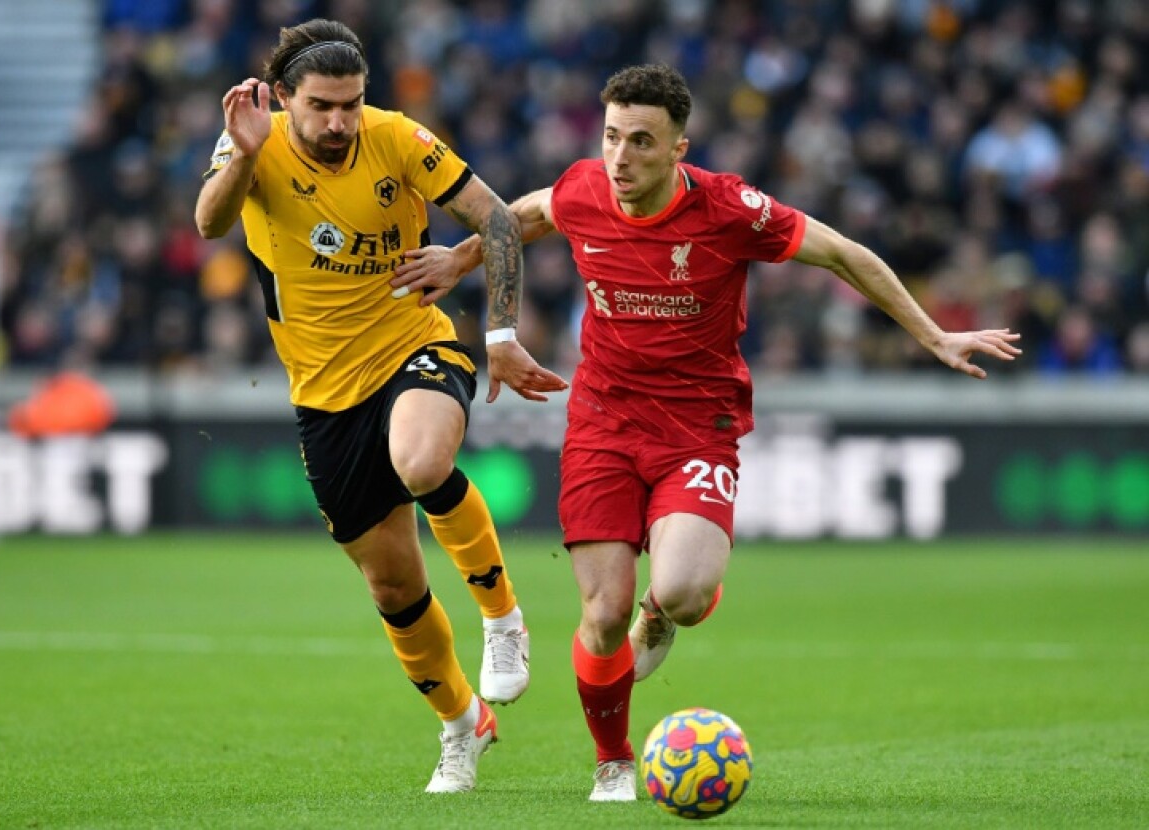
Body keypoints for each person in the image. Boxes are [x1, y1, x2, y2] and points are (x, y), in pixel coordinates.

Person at [389, 63, 1022, 801]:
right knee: (601, 613)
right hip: (603, 421)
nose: (621, 159)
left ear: (679, 149)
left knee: (684, 592)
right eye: (612, 138)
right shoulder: (583, 189)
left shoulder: (731, 211)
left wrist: (933, 335)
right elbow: (516, 218)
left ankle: (666, 614)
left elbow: (845, 254)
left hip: (698, 426)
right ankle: (615, 762)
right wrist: (459, 260)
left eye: (642, 143)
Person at [193, 18, 567, 794]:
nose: (339, 123)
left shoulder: (397, 138)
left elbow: (498, 218)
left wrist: (498, 330)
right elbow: (208, 222)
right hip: (325, 395)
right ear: (287, 98)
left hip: (413, 345)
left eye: (351, 105)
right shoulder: (248, 143)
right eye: (323, 107)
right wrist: (248, 151)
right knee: (392, 587)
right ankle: (463, 726)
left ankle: (504, 621)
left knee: (423, 460)